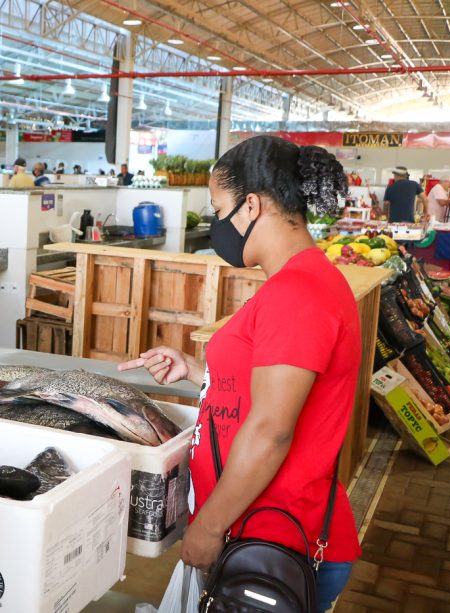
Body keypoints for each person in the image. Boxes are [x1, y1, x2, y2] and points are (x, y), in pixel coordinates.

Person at [119, 135, 360, 613]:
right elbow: (270, 389)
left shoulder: (298, 294)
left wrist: (208, 526)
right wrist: (196, 371)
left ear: (251, 205)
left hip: (274, 539)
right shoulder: (296, 284)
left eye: (217, 207)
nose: (215, 224)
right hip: (260, 531)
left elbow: (271, 431)